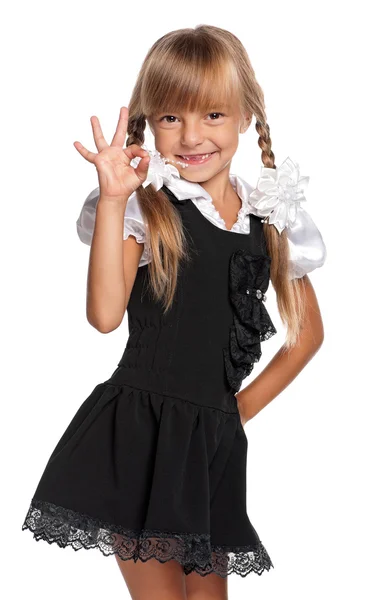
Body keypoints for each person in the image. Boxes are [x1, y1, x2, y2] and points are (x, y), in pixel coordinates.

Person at [21, 24, 326, 600]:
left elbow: (305, 337)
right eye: (170, 118)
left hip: (210, 444)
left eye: (212, 115)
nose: (191, 136)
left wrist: (232, 415)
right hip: (140, 433)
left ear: (245, 116)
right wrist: (114, 200)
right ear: (150, 121)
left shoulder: (270, 218)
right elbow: (105, 315)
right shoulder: (148, 206)